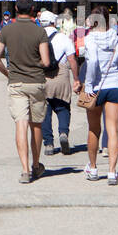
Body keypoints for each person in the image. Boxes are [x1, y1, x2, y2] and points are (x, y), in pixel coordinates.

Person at [0, 0, 52, 184]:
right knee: (36, 124)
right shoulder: (39, 31)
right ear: (33, 9)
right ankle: (36, 165)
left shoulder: (6, 30)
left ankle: (24, 170)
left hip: (16, 82)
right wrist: (35, 64)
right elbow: (46, 61)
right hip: (36, 82)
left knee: (21, 124)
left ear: (16, 8)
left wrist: (8, 73)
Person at [81, 5, 118, 184]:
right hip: (114, 85)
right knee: (113, 129)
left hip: (96, 88)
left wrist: (89, 86)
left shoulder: (90, 39)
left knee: (94, 129)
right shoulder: (117, 40)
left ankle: (93, 168)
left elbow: (92, 62)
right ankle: (112, 172)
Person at [39, 11, 79, 156]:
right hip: (61, 74)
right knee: (63, 107)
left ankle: (49, 143)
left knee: (45, 111)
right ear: (54, 22)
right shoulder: (63, 38)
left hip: (42, 76)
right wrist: (76, 79)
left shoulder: (37, 37)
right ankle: (63, 133)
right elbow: (72, 60)